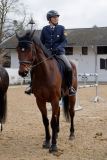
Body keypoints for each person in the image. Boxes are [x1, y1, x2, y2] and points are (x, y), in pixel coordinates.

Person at [25, 10, 76, 96]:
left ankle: (70, 87)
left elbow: (64, 41)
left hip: (59, 53)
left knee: (68, 67)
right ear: (49, 19)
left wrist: (58, 48)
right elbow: (41, 43)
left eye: (57, 17)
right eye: (54, 17)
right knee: (34, 66)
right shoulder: (45, 29)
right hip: (47, 54)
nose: (56, 19)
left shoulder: (61, 28)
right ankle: (31, 86)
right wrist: (43, 50)